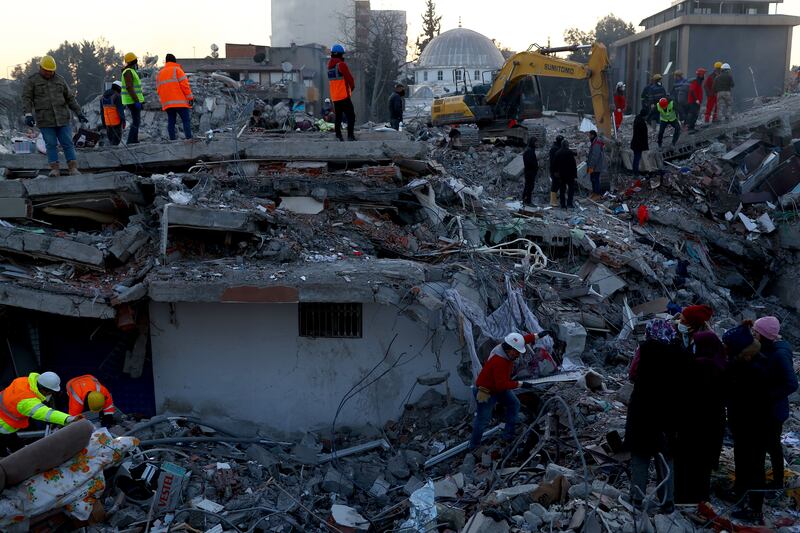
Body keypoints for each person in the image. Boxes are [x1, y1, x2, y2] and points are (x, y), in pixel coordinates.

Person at [626, 319, 682, 514]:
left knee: (641, 454)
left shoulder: (644, 350)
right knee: (666, 456)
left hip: (643, 409)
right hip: (669, 412)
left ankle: (637, 498)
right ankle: (667, 502)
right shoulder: (678, 352)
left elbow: (632, 374)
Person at [673, 304, 727, 504]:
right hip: (711, 422)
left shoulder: (701, 367)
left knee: (688, 460)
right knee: (702, 462)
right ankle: (699, 499)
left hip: (695, 421)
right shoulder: (718, 363)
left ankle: (685, 497)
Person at [470, 330, 552, 448]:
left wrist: (538, 335)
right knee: (483, 419)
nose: (518, 355)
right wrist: (521, 384)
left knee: (514, 404)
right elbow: (502, 385)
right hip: (486, 391)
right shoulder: (499, 361)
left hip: (497, 387)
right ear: (509, 350)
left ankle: (508, 435)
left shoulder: (507, 346)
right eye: (516, 353)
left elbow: (523, 340)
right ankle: (474, 446)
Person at [723, 323, 770, 524]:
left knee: (754, 465)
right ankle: (740, 494)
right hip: (745, 423)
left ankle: (754, 509)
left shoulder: (752, 367)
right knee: (743, 461)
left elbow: (739, 393)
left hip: (753, 424)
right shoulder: (749, 362)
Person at [752, 316, 798, 494]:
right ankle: (772, 481)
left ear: (764, 335)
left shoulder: (779, 354)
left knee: (771, 447)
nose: (754, 334)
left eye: (756, 332)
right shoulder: (770, 348)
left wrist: (769, 396)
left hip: (772, 411)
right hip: (770, 408)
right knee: (771, 446)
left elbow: (792, 383)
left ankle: (775, 483)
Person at [22, 55, 88, 177]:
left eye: (51, 71)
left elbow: (70, 98)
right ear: (41, 68)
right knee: (51, 144)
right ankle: (54, 169)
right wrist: (28, 114)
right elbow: (27, 99)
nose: (49, 73)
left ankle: (73, 168)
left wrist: (79, 113)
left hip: (63, 118)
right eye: (46, 70)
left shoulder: (60, 80)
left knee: (67, 142)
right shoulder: (32, 81)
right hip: (45, 120)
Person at [0, 372, 79, 455]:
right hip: (3, 425)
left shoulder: (23, 381)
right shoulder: (27, 402)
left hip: (5, 420)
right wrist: (67, 418)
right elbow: (46, 414)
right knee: (4, 453)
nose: (51, 395)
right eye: (50, 393)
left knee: (16, 446)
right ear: (43, 389)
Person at [156, 54, 194, 140]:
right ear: (175, 61)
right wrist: (190, 98)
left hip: (168, 104)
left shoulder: (160, 73)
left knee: (171, 121)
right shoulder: (177, 70)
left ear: (166, 61)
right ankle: (189, 138)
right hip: (180, 102)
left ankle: (172, 139)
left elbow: (158, 89)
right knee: (186, 120)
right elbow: (185, 86)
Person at [327, 44, 356, 141]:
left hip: (335, 97)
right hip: (344, 96)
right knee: (351, 116)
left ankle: (338, 136)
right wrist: (351, 89)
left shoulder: (330, 67)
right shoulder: (341, 65)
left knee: (338, 117)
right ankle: (350, 136)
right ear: (340, 54)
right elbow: (350, 79)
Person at [121, 53, 144, 144]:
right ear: (134, 61)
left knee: (137, 121)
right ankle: (131, 141)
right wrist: (136, 101)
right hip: (132, 100)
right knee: (136, 121)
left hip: (133, 100)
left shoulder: (131, 71)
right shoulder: (128, 72)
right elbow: (129, 87)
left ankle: (134, 140)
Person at [100, 81, 125, 146]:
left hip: (108, 122)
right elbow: (120, 110)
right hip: (116, 122)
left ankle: (111, 153)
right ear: (118, 88)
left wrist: (104, 123)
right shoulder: (117, 96)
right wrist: (123, 121)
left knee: (111, 140)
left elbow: (102, 112)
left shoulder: (102, 97)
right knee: (116, 141)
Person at [554, 139, 577, 208]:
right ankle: (569, 203)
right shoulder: (570, 152)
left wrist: (556, 173)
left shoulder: (557, 153)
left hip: (561, 175)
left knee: (562, 190)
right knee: (571, 189)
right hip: (570, 174)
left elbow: (555, 164)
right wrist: (575, 174)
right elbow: (573, 164)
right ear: (567, 145)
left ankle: (563, 204)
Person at [586, 130, 606, 199]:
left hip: (595, 166)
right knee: (592, 179)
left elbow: (595, 156)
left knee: (595, 179)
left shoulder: (596, 143)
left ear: (593, 135)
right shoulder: (595, 142)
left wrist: (590, 166)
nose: (589, 137)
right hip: (593, 166)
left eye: (590, 135)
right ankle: (595, 192)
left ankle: (597, 193)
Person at [631, 108, 649, 177]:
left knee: (636, 158)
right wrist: (644, 146)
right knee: (637, 159)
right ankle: (635, 173)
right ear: (644, 115)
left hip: (636, 143)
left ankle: (635, 172)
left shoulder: (637, 120)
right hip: (638, 144)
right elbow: (642, 136)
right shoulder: (641, 122)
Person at [548, 135, 564, 207]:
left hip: (558, 170)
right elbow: (553, 162)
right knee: (555, 185)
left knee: (558, 185)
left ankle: (557, 200)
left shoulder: (558, 147)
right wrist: (555, 171)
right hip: (555, 171)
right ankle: (552, 201)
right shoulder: (554, 149)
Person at [522, 137, 538, 206]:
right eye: (535, 142)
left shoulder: (529, 150)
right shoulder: (530, 151)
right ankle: (527, 201)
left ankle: (525, 199)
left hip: (529, 171)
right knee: (529, 186)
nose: (536, 144)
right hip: (530, 172)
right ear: (532, 142)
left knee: (528, 186)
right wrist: (535, 166)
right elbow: (530, 162)